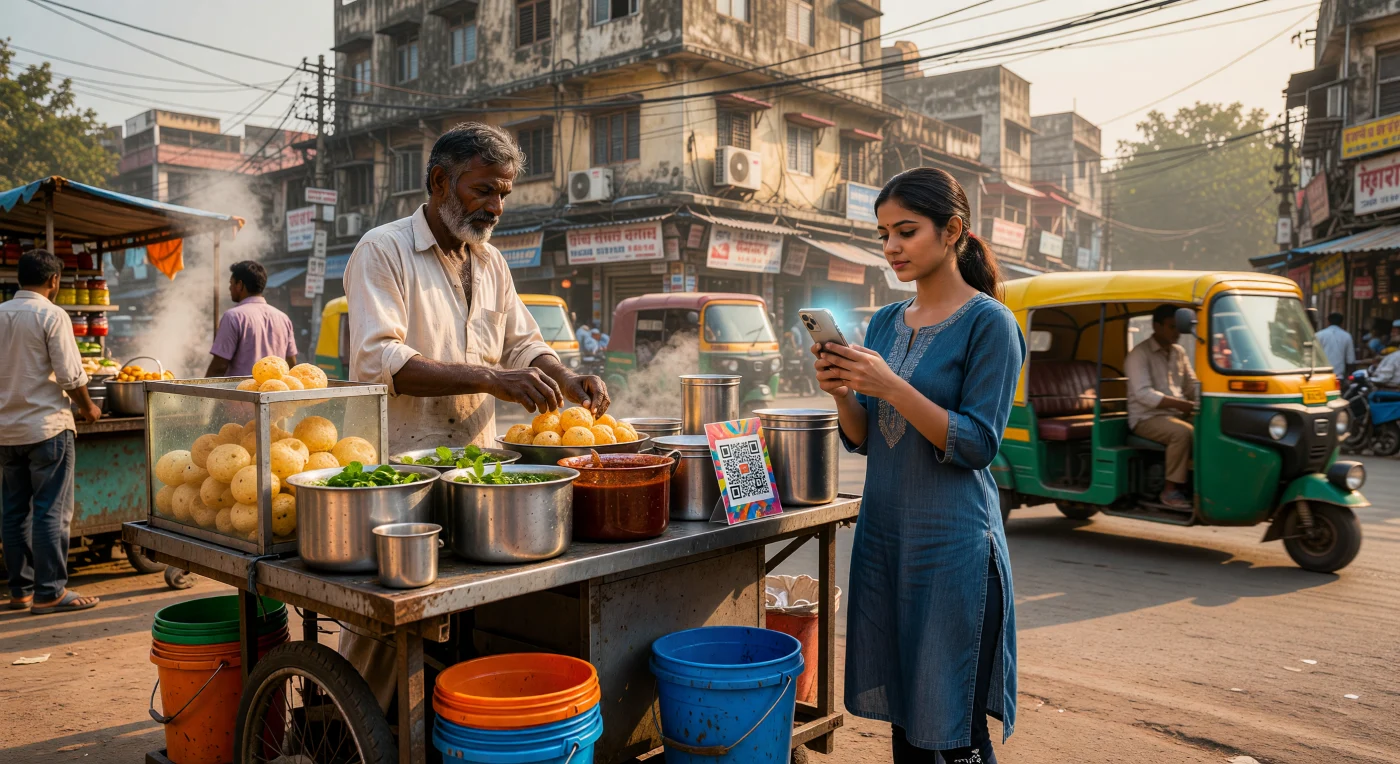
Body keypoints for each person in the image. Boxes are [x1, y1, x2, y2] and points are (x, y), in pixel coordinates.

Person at [813, 168, 1021, 764]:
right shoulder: (884, 322)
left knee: (951, 725)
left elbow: (979, 443)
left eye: (906, 231)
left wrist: (891, 385)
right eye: (883, 235)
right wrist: (841, 391)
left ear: (953, 230)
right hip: (887, 542)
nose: (892, 248)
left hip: (952, 550)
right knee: (907, 720)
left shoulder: (990, 324)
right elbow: (866, 439)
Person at [344, 122, 608, 452]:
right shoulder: (383, 249)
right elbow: (379, 361)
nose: (496, 208)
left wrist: (566, 378)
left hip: (476, 463)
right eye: (484, 192)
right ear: (440, 181)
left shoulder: (491, 262)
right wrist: (490, 378)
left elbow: (523, 345)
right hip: (397, 467)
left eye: (503, 195)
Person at [0, 249, 102, 615]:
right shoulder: (51, 314)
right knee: (50, 512)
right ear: (54, 281)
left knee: (13, 512)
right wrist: (88, 407)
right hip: (46, 429)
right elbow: (70, 375)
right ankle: (50, 592)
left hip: (6, 432)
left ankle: (20, 592)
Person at [1125, 304, 1199, 509]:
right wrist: (1182, 404)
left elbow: (1191, 386)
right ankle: (1170, 490)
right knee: (1182, 434)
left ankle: (1197, 482)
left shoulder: (1179, 352)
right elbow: (1143, 394)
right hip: (1146, 418)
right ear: (1156, 326)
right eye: (1171, 327)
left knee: (1211, 426)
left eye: (1179, 328)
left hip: (1176, 413)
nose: (1177, 333)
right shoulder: (1139, 355)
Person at [206, 260, 298, 377]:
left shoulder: (233, 316)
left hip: (242, 393)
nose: (230, 288)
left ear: (240, 285)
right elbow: (291, 362)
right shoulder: (283, 318)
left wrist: (199, 393)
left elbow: (219, 367)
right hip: (274, 391)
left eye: (231, 283)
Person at [1314, 312, 1355, 380]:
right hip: (1338, 377)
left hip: (1320, 376)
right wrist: (1349, 378)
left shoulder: (1319, 335)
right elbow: (1350, 361)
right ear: (1342, 323)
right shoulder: (1347, 336)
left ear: (1328, 322)